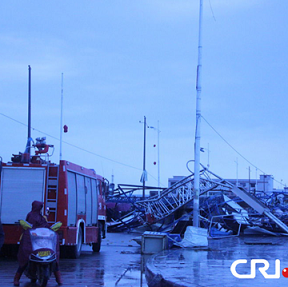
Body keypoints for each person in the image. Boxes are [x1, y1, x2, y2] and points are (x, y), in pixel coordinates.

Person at [14, 201, 62, 286]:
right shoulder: (31, 215)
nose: (40, 208)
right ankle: (16, 278)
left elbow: (45, 226)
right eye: (40, 206)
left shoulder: (42, 217)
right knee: (26, 256)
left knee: (53, 256)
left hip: (42, 240)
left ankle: (59, 279)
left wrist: (50, 230)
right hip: (31, 241)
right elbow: (29, 227)